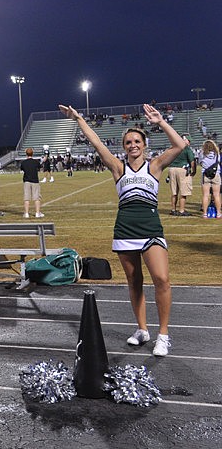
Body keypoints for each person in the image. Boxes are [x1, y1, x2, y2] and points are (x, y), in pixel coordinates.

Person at [59, 104, 184, 357]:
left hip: (150, 228)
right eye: (128, 142)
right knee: (134, 282)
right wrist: (78, 119)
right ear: (124, 146)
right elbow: (96, 143)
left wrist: (161, 122)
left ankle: (163, 335)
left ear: (144, 145)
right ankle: (142, 329)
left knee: (161, 279)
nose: (133, 145)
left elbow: (180, 146)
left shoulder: (155, 166)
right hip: (125, 230)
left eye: (137, 141)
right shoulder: (118, 168)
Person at [167, 134, 195, 216]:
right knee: (183, 192)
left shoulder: (173, 148)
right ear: (184, 140)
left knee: (174, 192)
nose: (189, 142)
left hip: (172, 169)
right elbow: (192, 161)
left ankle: (173, 209)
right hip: (182, 170)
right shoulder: (187, 149)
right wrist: (194, 171)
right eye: (188, 140)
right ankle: (181, 210)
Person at [198, 140, 221, 219]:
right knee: (216, 195)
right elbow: (218, 161)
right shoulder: (217, 154)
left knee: (205, 195)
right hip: (216, 174)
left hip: (205, 175)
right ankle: (218, 213)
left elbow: (200, 162)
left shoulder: (202, 154)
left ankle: (205, 213)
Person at [19, 148, 44, 218]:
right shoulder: (35, 162)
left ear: (26, 154)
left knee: (26, 198)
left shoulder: (23, 162)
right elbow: (40, 167)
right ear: (32, 153)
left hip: (26, 181)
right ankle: (37, 213)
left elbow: (22, 169)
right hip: (35, 181)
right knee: (37, 198)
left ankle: (26, 213)